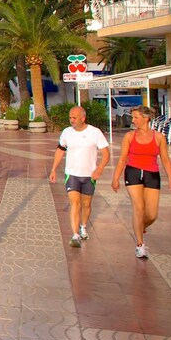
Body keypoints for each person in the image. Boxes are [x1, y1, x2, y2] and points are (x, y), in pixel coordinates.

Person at [111, 106, 171, 259]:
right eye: (132, 117)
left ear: (146, 118)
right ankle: (140, 245)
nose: (133, 120)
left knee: (152, 214)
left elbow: (165, 159)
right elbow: (122, 158)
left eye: (136, 117)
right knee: (139, 208)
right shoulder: (129, 136)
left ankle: (140, 228)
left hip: (152, 174)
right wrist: (115, 178)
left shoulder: (159, 137)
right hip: (133, 172)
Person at [49, 106, 110, 248]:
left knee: (86, 204)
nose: (71, 120)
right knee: (75, 203)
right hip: (72, 174)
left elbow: (106, 154)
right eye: (70, 117)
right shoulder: (67, 133)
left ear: (83, 118)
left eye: (74, 118)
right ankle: (75, 235)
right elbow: (60, 150)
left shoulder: (94, 133)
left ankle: (83, 226)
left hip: (89, 175)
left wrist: (100, 168)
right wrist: (53, 169)